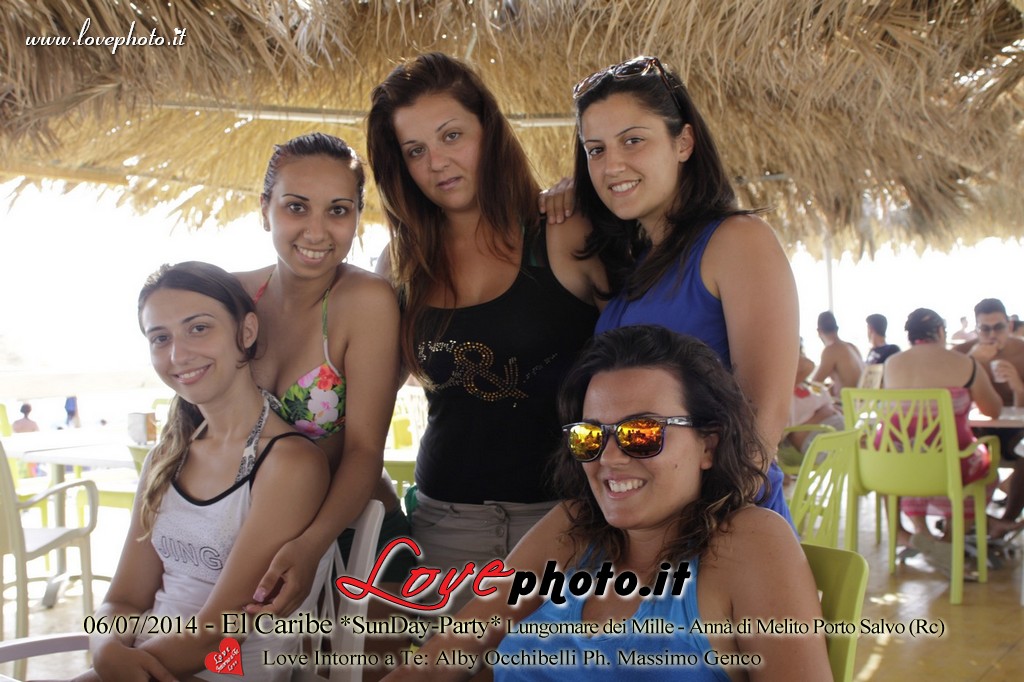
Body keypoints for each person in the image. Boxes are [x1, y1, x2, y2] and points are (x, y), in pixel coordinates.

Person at [384, 325, 831, 681]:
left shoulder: (749, 543)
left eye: (642, 433)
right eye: (590, 436)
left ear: (708, 445)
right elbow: (447, 654)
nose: (609, 458)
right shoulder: (572, 527)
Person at [367, 52, 607, 610]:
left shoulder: (563, 232)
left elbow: (647, 360)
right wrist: (382, 509)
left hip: (568, 525)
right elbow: (362, 406)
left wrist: (590, 191)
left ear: (489, 131)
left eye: (452, 135)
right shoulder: (401, 265)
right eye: (415, 151)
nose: (437, 163)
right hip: (444, 529)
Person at [557, 55, 798, 525]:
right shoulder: (634, 263)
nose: (612, 165)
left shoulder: (738, 241)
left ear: (683, 142)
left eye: (633, 140)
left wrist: (702, 530)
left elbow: (764, 420)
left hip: (724, 519)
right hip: (643, 523)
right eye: (596, 149)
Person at [69, 262, 331, 681]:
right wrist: (104, 650)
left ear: (246, 331)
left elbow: (217, 634)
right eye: (160, 338)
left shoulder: (289, 463)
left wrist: (117, 669)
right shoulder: (167, 457)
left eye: (198, 328)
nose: (178, 355)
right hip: (140, 663)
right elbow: (123, 600)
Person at [232, 133, 407, 620]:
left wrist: (311, 545)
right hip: (244, 539)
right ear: (264, 208)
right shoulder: (232, 296)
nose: (317, 231)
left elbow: (364, 451)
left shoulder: (366, 302)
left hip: (354, 539)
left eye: (338, 211)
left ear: (357, 216)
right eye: (296, 207)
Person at [883, 308, 1023, 570]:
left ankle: (920, 533)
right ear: (940, 331)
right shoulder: (964, 363)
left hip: (899, 467)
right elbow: (993, 410)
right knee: (984, 466)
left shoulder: (891, 364)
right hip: (951, 468)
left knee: (909, 456)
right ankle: (950, 540)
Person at [954, 297, 1024, 525]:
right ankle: (965, 520)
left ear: (1009, 325)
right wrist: (971, 361)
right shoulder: (963, 353)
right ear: (976, 329)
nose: (992, 335)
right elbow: (944, 387)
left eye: (999, 327)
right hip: (977, 430)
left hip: (1017, 431)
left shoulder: (1021, 351)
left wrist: (1018, 388)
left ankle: (1007, 521)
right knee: (952, 448)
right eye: (985, 329)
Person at [811, 311, 864, 398]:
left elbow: (815, 384)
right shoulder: (852, 347)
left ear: (819, 331)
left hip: (846, 404)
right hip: (862, 402)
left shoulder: (831, 350)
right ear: (837, 328)